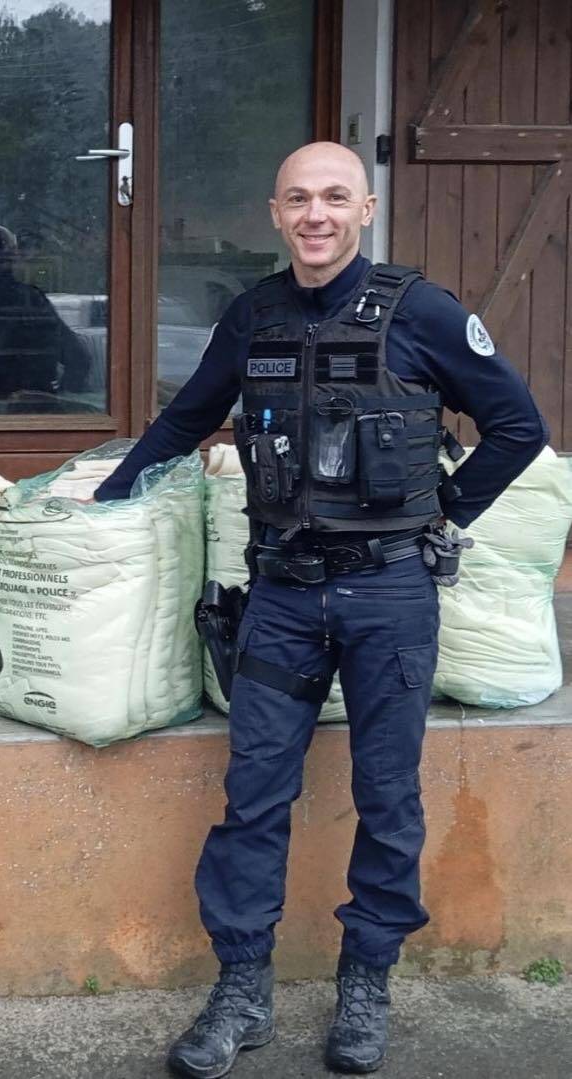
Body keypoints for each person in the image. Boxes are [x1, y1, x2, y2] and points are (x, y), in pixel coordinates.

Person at [94, 142, 547, 1078]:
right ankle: (242, 989)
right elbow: (186, 418)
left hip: (390, 593)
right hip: (284, 593)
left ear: (365, 210)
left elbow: (518, 426)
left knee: (388, 796)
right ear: (275, 213)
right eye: (298, 199)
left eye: (335, 197)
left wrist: (446, 512)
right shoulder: (252, 314)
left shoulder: (422, 311)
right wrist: (108, 495)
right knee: (254, 794)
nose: (316, 215)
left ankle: (366, 984)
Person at [0, 224, 91, 406]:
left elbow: (78, 358)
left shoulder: (28, 303)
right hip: (2, 411)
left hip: (26, 414)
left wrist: (54, 401)